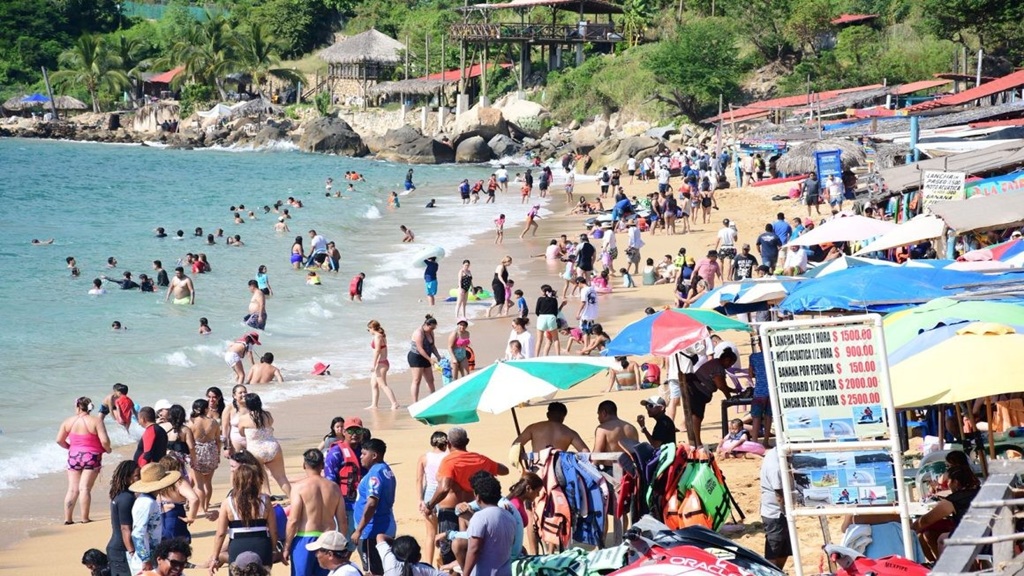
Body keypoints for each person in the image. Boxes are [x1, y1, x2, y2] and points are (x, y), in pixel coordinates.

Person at [420, 428, 509, 566]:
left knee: (449, 554)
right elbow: (504, 470)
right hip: (472, 509)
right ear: (467, 441)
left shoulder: (448, 461)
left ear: (448, 444)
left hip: (450, 511)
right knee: (472, 549)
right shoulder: (480, 459)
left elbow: (444, 488)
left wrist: (429, 505)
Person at [285, 449, 348, 576]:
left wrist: (286, 546)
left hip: (305, 537)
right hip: (328, 540)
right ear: (322, 465)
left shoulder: (299, 487)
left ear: (304, 465)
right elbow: (342, 520)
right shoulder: (334, 487)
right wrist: (341, 544)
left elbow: (293, 520)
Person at [209, 460, 277, 571]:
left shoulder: (228, 503)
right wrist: (273, 550)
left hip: (238, 545)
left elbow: (221, 534)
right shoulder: (265, 500)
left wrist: (214, 558)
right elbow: (274, 531)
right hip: (262, 544)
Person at [57, 397, 112, 521]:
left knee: (72, 489)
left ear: (77, 406)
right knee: (84, 488)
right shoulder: (96, 421)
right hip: (91, 456)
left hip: (74, 456)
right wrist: (108, 449)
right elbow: (104, 441)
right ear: (90, 408)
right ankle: (84, 518)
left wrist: (70, 448)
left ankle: (68, 519)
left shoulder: (68, 421)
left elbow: (59, 440)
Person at [913, 467, 980, 561]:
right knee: (930, 534)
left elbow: (925, 521)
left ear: (955, 482)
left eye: (948, 481)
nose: (948, 485)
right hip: (990, 535)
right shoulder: (982, 492)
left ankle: (944, 566)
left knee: (942, 539)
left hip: (971, 536)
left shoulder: (955, 499)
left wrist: (909, 529)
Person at [353, 438, 396, 576]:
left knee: (373, 571)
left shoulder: (375, 474)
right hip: (385, 525)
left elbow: (372, 503)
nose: (361, 457)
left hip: (372, 530)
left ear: (374, 455)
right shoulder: (386, 470)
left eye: (364, 454)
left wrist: (359, 530)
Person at [129, 463, 181, 575]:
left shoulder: (149, 500)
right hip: (145, 561)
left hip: (152, 557)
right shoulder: (147, 503)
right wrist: (145, 559)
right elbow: (137, 533)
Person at [236, 393, 291, 497]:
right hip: (272, 447)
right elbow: (270, 424)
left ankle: (264, 499)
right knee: (281, 477)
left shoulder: (244, 418)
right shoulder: (268, 415)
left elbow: (241, 433)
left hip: (256, 450)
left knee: (257, 479)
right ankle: (293, 498)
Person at [462, 474, 516, 576]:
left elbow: (474, 549)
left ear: (478, 496)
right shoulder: (510, 517)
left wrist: (465, 574)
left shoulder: (480, 517)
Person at [685, 346, 738, 446]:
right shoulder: (718, 367)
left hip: (697, 389)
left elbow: (722, 384)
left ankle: (695, 442)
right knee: (697, 417)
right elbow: (721, 385)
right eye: (730, 364)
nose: (729, 366)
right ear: (727, 360)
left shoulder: (715, 363)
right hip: (698, 391)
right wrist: (729, 397)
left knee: (697, 416)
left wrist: (733, 390)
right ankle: (697, 442)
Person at [416, 432, 449, 566]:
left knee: (430, 533)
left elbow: (419, 480)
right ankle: (442, 559)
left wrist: (420, 499)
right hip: (445, 495)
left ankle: (428, 564)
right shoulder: (448, 457)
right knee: (445, 531)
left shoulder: (424, 458)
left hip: (429, 494)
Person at [511, 402, 589, 455]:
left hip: (537, 469)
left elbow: (515, 446)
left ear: (548, 414)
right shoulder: (570, 433)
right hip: (558, 470)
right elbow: (586, 453)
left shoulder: (533, 428)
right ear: (564, 416)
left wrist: (522, 461)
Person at [760, 448, 793, 570]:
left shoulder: (773, 453)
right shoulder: (776, 468)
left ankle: (778, 571)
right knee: (773, 550)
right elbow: (779, 496)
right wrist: (788, 512)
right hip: (775, 513)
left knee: (784, 549)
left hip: (778, 512)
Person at [155, 456, 199, 543]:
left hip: (158, 517)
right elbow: (194, 499)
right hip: (174, 516)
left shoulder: (157, 482)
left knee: (162, 547)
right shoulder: (178, 482)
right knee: (178, 546)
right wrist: (191, 517)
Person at [107, 460, 140, 576]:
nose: (140, 479)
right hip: (122, 551)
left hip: (117, 548)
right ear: (127, 478)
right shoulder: (127, 498)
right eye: (137, 476)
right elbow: (125, 528)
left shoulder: (119, 495)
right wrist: (132, 552)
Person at [188, 399, 220, 516]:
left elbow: (189, 441)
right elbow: (218, 440)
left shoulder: (191, 423)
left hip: (197, 452)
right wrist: (218, 454)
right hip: (211, 451)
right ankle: (206, 506)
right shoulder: (214, 422)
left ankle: (201, 508)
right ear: (206, 409)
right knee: (208, 482)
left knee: (199, 484)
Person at [367, 320, 400, 410]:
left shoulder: (378, 336)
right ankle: (374, 405)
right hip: (381, 362)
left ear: (372, 328)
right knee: (373, 384)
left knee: (383, 385)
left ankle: (394, 403)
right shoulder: (381, 335)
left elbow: (377, 351)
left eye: (368, 329)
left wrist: (373, 365)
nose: (369, 331)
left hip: (381, 363)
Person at [408, 315, 441, 402]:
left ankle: (433, 399)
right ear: (426, 325)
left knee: (430, 379)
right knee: (417, 380)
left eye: (434, 328)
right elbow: (420, 349)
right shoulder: (419, 333)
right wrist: (430, 359)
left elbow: (432, 346)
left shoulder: (431, 332)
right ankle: (415, 402)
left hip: (426, 357)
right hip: (416, 357)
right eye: (431, 328)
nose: (432, 330)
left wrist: (438, 356)